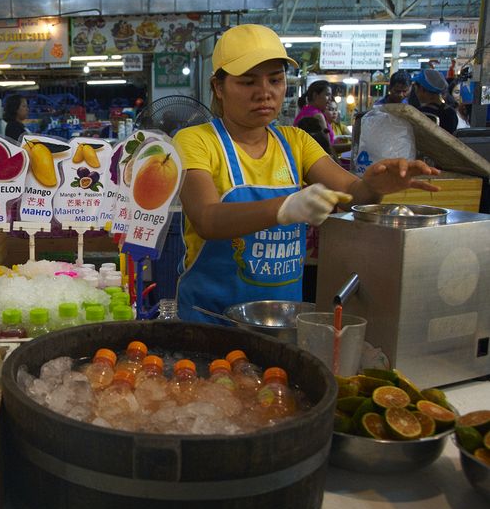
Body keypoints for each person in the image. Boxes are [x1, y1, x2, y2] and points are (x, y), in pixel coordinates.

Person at [173, 24, 440, 323]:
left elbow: (354, 195)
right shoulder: (196, 141)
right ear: (218, 88)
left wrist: (375, 186)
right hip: (209, 322)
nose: (264, 93)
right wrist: (284, 208)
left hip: (280, 321)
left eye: (275, 80)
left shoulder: (296, 142)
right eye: (247, 82)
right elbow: (207, 218)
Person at [412, 69, 458, 134]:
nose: (415, 92)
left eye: (416, 88)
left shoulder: (421, 113)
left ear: (422, 89)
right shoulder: (451, 112)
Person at [294, 80, 334, 147]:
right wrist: (350, 146)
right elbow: (327, 147)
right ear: (315, 95)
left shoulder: (303, 112)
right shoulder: (318, 116)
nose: (330, 99)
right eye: (327, 95)